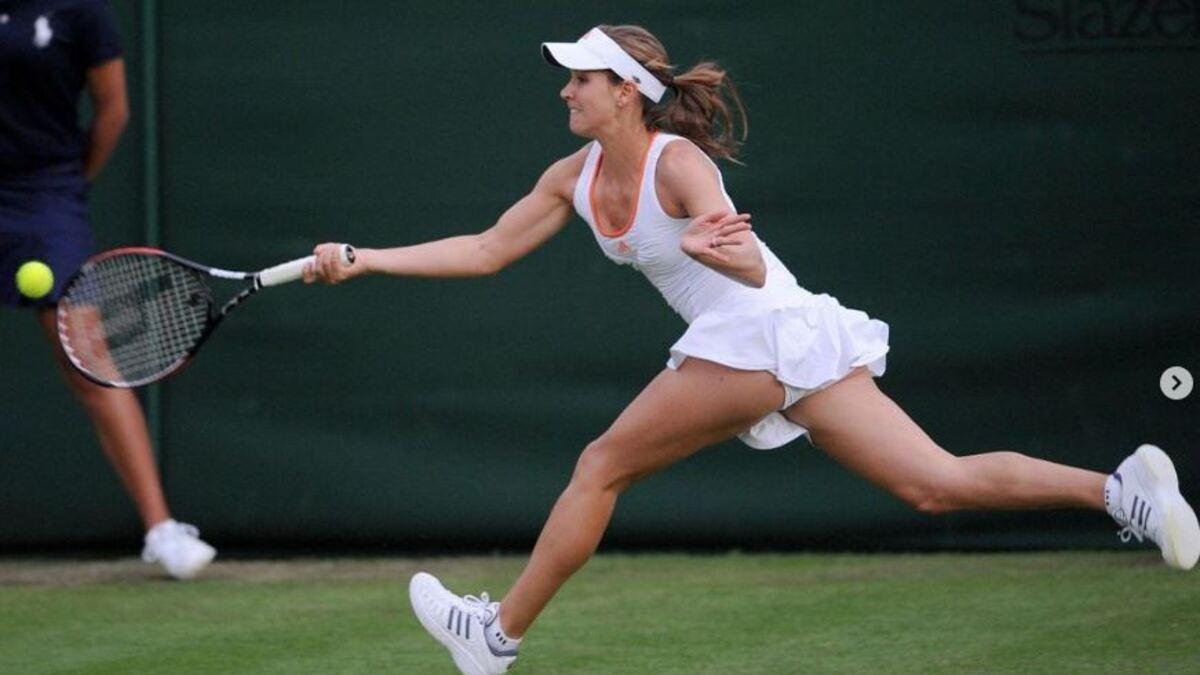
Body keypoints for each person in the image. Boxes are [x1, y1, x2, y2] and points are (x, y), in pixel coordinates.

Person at [305, 24, 1199, 675]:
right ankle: (1124, 490)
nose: (564, 91)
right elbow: (489, 248)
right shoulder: (569, 178)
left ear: (624, 89)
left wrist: (708, 242)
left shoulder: (677, 161)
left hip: (756, 327)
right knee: (936, 482)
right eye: (566, 78)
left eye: (579, 78)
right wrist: (366, 259)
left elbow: (731, 243)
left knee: (600, 466)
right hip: (790, 341)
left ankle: (494, 635)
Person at [0, 0, 214, 579]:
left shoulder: (81, 10)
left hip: (46, 192)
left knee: (87, 356)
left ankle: (161, 530)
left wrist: (69, 190)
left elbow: (113, 109)